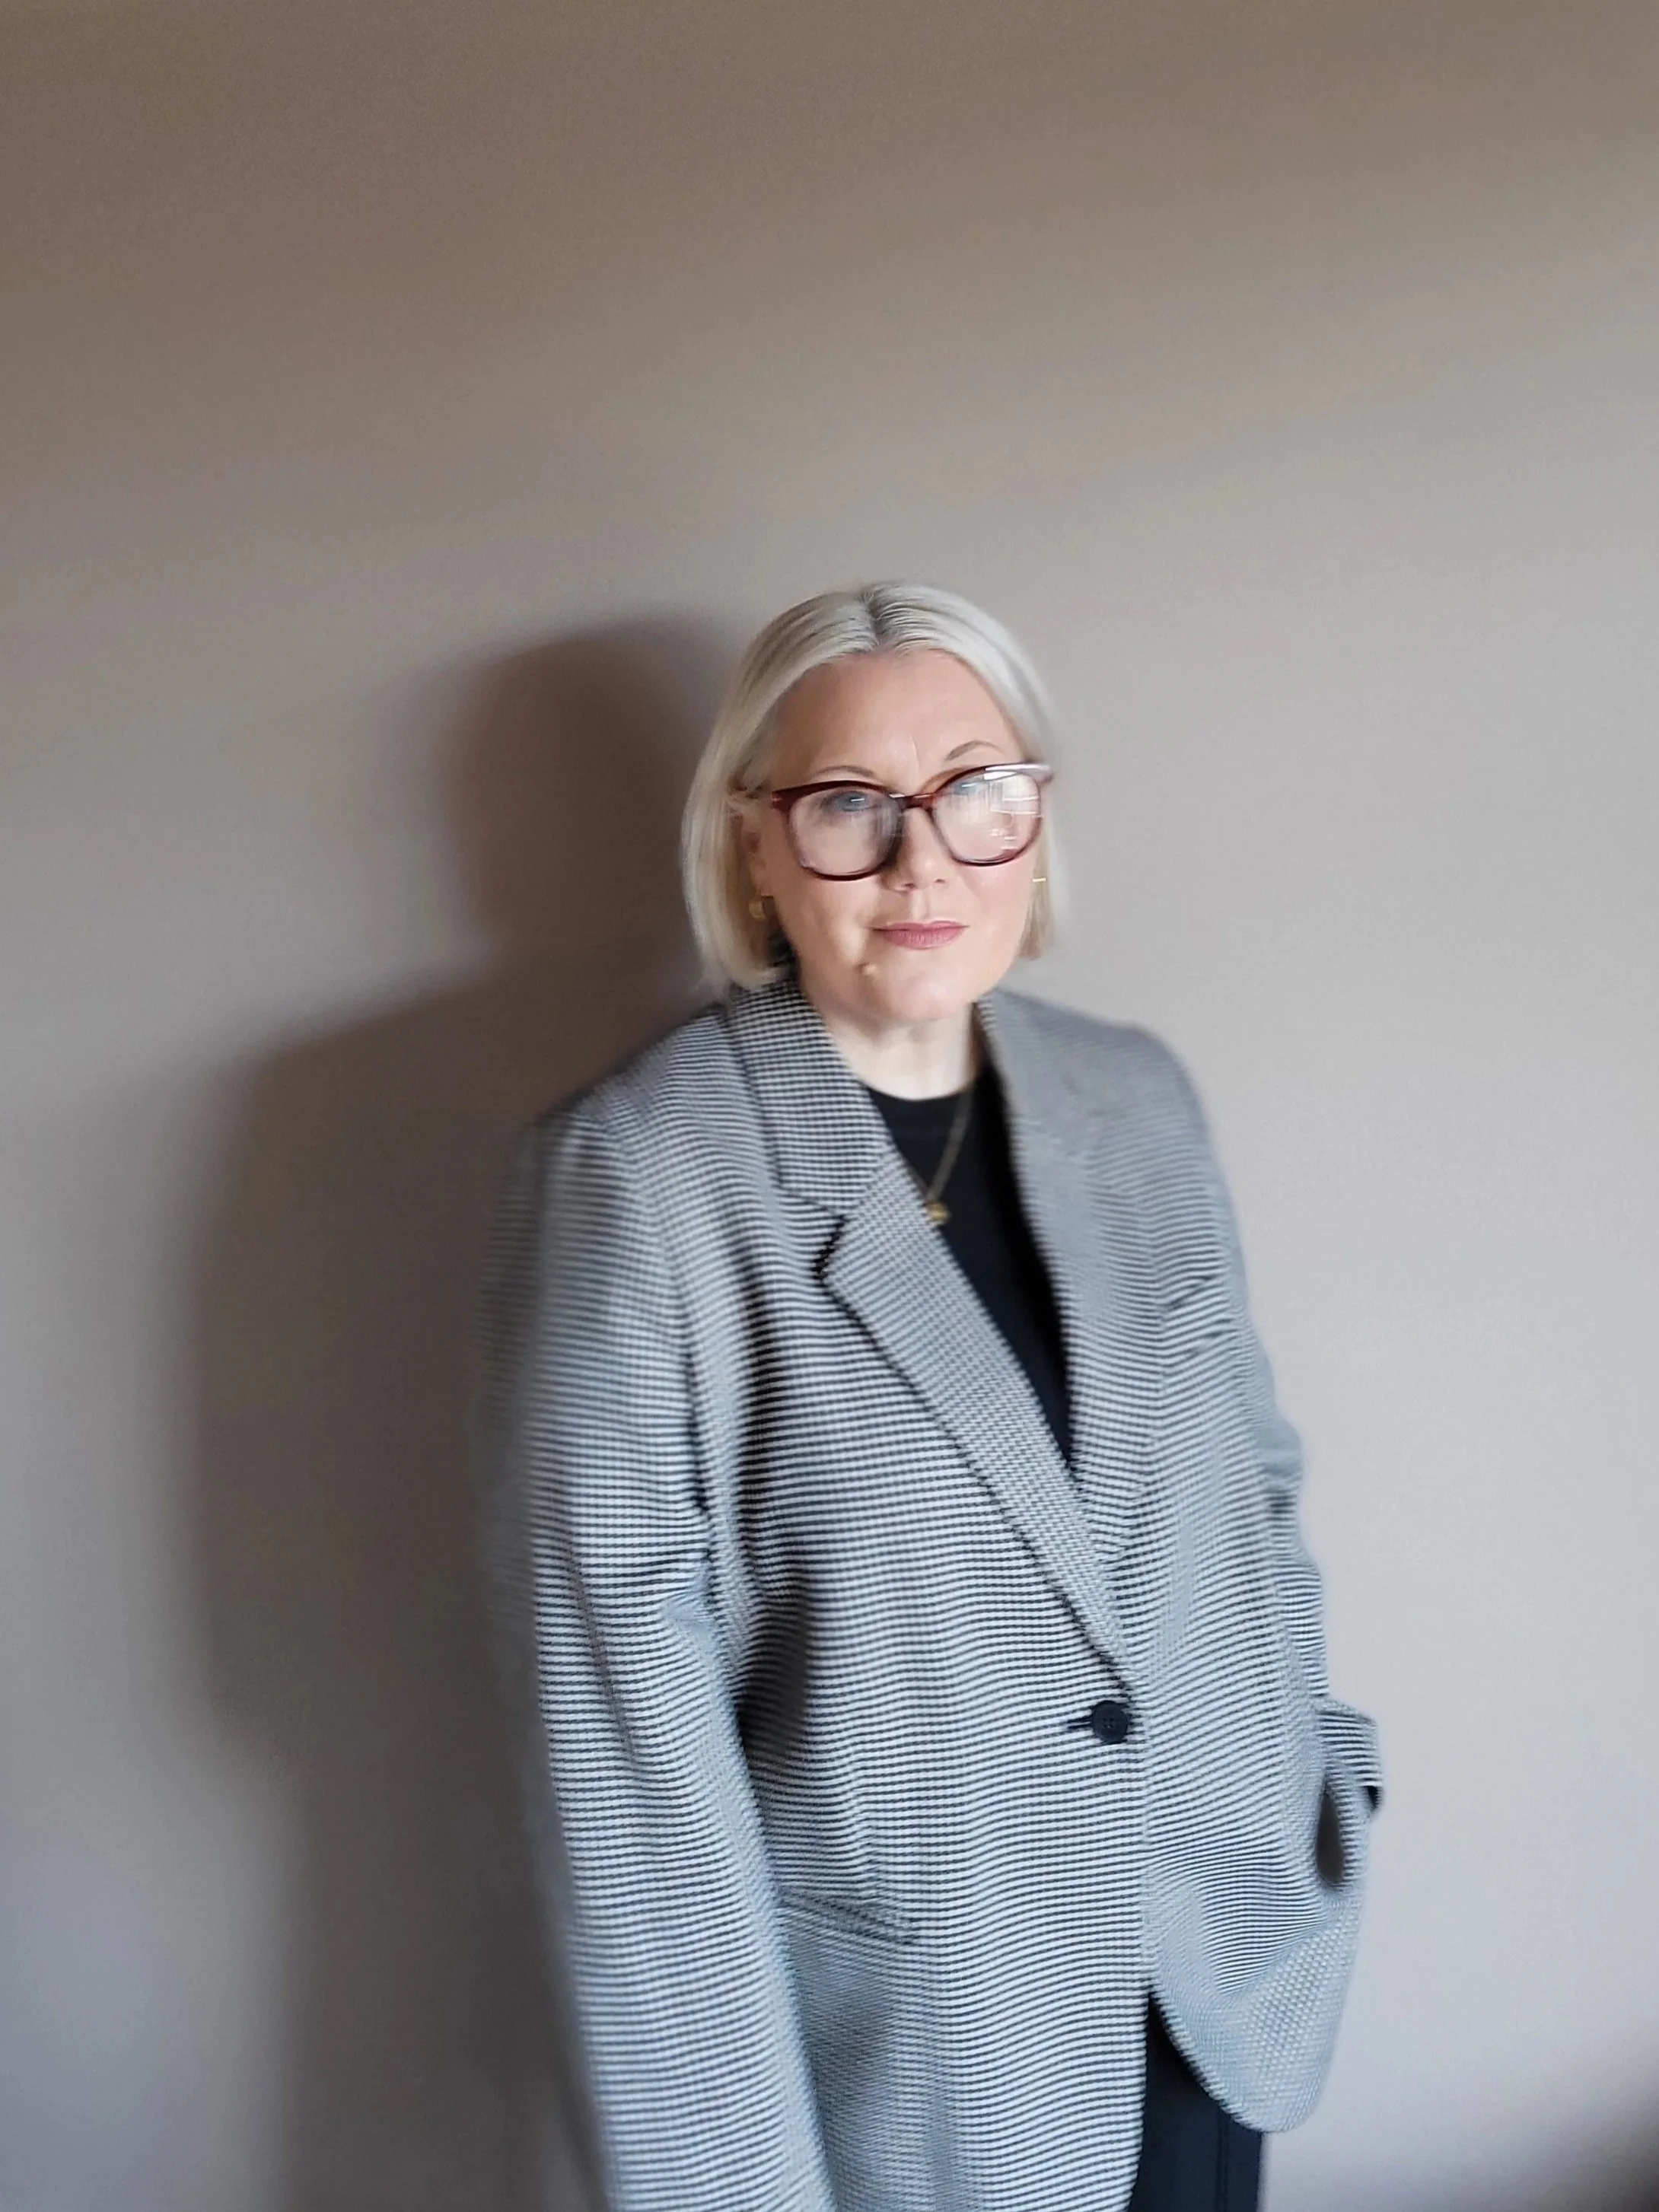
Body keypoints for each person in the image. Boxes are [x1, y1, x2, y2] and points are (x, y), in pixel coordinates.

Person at [478, 581, 1382, 2212]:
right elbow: (616, 1745)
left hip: (1208, 1979)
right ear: (752, 843)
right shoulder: (636, 1175)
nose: (921, 861)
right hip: (905, 2057)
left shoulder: (1137, 1098)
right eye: (846, 805)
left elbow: (1249, 1491)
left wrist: (1302, 1783)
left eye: (976, 789)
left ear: (1033, 815)